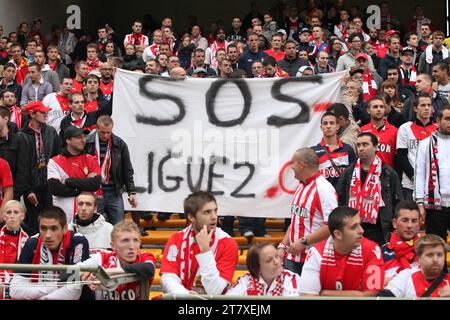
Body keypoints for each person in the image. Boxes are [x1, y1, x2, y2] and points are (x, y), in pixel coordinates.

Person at [160, 191, 238, 295]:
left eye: (215, 211)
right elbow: (168, 277)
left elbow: (215, 291)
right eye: (207, 212)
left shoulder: (228, 244)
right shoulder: (176, 239)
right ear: (191, 217)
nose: (214, 216)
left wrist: (205, 252)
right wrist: (185, 295)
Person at [298, 206, 385, 296]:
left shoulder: (373, 250)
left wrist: (323, 293)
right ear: (338, 234)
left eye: (360, 224)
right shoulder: (316, 254)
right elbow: (307, 296)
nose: (361, 231)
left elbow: (369, 295)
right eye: (354, 227)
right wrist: (358, 294)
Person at [277, 148, 338, 276]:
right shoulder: (301, 186)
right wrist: (283, 244)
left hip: (313, 260)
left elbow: (332, 226)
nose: (291, 166)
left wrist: (304, 241)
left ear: (301, 165)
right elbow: (296, 221)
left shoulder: (324, 190)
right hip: (292, 258)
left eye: (293, 162)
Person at [9, 206, 90, 300]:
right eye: (43, 228)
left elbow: (73, 292)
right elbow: (14, 290)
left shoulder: (77, 241)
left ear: (64, 229)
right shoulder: (32, 243)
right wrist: (55, 286)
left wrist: (42, 297)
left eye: (54, 229)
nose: (48, 235)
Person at [337, 132, 404, 246]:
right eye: (358, 145)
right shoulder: (349, 172)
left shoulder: (388, 173)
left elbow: (397, 202)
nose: (361, 148)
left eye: (365, 144)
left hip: (380, 231)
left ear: (376, 147)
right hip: (353, 230)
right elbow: (340, 198)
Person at [77, 220, 156, 300]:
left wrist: (105, 273)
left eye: (135, 240)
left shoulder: (145, 257)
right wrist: (89, 277)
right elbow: (74, 270)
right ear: (113, 246)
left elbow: (149, 268)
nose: (132, 247)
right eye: (125, 241)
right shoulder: (103, 257)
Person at [16, 101, 61, 234]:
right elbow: (21, 166)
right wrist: (28, 190)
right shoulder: (21, 136)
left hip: (49, 185)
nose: (46, 114)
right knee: (35, 225)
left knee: (51, 221)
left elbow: (57, 157)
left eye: (46, 111)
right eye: (42, 112)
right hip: (32, 187)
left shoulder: (51, 131)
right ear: (32, 114)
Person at [84, 116, 137, 225]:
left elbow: (127, 170)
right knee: (96, 226)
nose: (105, 135)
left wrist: (131, 192)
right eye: (102, 132)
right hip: (94, 193)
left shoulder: (120, 144)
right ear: (97, 128)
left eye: (108, 132)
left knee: (118, 227)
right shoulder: (87, 142)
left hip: (114, 192)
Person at [47, 126, 101, 225]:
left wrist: (69, 181)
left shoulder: (91, 159)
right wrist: (85, 184)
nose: (83, 140)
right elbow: (55, 188)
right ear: (68, 140)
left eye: (84, 137)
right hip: (63, 219)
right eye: (79, 137)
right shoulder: (54, 162)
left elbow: (95, 184)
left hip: (87, 219)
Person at [415, 105, 450, 241]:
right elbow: (419, 175)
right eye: (447, 119)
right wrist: (419, 203)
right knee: (435, 246)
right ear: (438, 120)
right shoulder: (425, 143)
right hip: (435, 206)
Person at [396, 93, 438, 200]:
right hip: (410, 184)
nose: (427, 108)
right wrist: (414, 177)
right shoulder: (405, 128)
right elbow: (401, 157)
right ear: (415, 108)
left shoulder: (438, 130)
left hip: (434, 184)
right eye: (423, 105)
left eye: (429, 105)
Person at [380, 234, 450, 298]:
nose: (435, 259)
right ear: (419, 259)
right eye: (430, 255)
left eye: (440, 255)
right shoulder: (406, 276)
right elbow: (383, 297)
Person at [226, 242, 301, 296]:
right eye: (269, 260)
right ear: (257, 268)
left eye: (277, 256)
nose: (277, 262)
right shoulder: (245, 282)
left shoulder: (292, 279)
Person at [311, 111, 356, 188]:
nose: (328, 126)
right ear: (321, 127)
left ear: (337, 126)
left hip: (343, 197)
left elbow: (354, 175)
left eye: (331, 123)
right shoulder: (313, 152)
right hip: (322, 197)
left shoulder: (348, 149)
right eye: (325, 123)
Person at [382, 201, 421, 284]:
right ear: (394, 223)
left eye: (414, 221)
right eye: (405, 220)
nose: (409, 225)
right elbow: (370, 286)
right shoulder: (380, 253)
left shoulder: (427, 251)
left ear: (419, 225)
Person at [0, 200, 29, 298]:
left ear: (22, 216)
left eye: (16, 212)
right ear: (3, 216)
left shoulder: (29, 241)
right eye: (8, 212)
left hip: (17, 286)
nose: (12, 216)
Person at [360, 97, 398, 168]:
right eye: (375, 107)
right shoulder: (362, 131)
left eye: (381, 107)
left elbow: (397, 158)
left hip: (386, 175)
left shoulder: (395, 131)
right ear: (368, 110)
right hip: (367, 174)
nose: (379, 109)